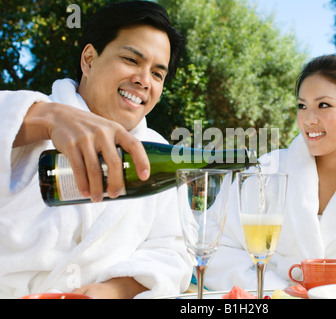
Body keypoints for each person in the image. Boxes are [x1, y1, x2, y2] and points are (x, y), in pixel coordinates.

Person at [0, 1, 192, 298]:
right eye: (131, 60)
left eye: (157, 74)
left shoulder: (157, 152)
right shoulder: (29, 118)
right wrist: (46, 118)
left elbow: (173, 252)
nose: (143, 80)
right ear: (88, 59)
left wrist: (115, 289)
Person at [205, 55, 336, 290]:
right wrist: (279, 290)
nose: (309, 119)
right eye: (302, 106)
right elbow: (216, 250)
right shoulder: (265, 171)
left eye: (324, 105)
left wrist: (334, 291)